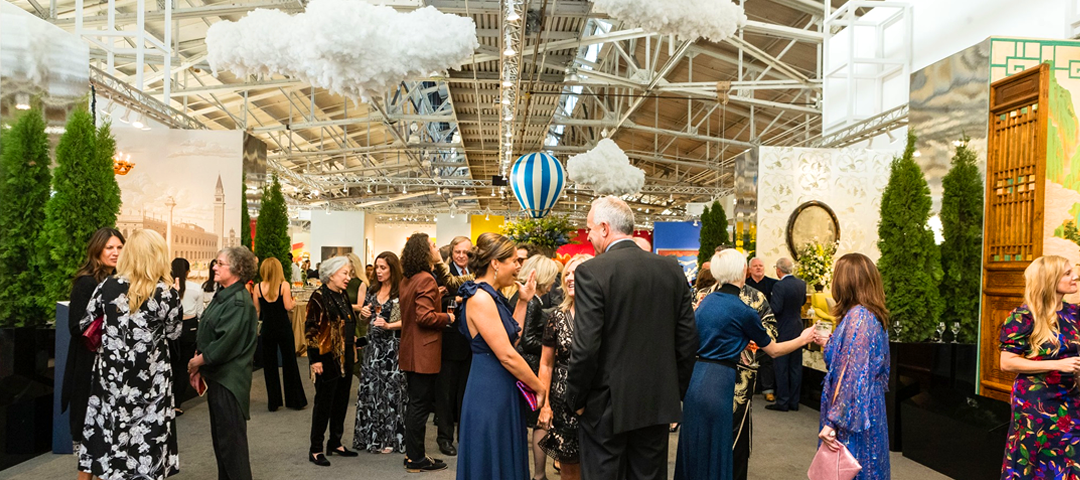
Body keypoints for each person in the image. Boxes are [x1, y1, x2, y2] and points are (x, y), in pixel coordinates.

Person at [566, 196, 698, 480]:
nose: (588, 236)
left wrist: (575, 397)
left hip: (605, 404)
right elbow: (687, 340)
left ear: (603, 228)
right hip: (656, 401)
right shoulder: (672, 270)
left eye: (589, 228)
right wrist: (674, 393)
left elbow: (587, 346)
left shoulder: (592, 271)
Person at [673, 249, 813, 480]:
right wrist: (804, 338)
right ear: (742, 271)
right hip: (722, 381)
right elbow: (774, 350)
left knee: (695, 444)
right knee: (721, 446)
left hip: (696, 380)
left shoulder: (703, 302)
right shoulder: (744, 310)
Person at [77, 229, 180, 480]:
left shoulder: (107, 287)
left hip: (112, 378)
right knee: (149, 439)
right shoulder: (166, 293)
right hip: (151, 380)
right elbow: (175, 332)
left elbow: (86, 324)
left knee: (109, 434)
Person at [456, 232, 546, 479]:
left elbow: (511, 340)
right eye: (514, 261)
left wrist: (524, 301)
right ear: (495, 262)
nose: (518, 267)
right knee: (492, 453)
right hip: (489, 390)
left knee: (502, 452)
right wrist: (539, 387)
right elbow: (506, 354)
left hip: (500, 386)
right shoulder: (481, 298)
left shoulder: (491, 296)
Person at [997, 255, 1080, 479]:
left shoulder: (1075, 314)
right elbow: (1007, 362)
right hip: (1036, 403)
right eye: (1068, 273)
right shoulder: (1023, 316)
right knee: (1035, 461)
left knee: (1071, 459)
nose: (1076, 277)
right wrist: (1057, 364)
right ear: (1050, 280)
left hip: (1071, 400)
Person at [813, 253, 891, 480]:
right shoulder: (868, 314)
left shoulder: (859, 317)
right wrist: (831, 343)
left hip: (854, 414)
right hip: (864, 406)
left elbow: (853, 376)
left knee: (851, 468)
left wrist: (833, 421)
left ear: (846, 282)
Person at [188, 246, 259, 480]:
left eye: (220, 263)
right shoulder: (225, 295)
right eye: (215, 262)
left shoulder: (238, 301)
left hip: (230, 382)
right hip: (219, 379)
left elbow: (224, 344)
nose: (214, 267)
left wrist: (197, 362)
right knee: (223, 445)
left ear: (237, 268)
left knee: (232, 448)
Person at [62, 228, 124, 480]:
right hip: (89, 366)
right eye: (110, 247)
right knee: (91, 440)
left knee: (103, 441)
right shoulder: (87, 282)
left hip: (111, 367)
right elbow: (76, 326)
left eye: (119, 247)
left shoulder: (118, 280)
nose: (115, 252)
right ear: (97, 249)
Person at [399, 234, 454, 472]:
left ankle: (414, 455)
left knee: (415, 405)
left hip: (410, 349)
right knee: (419, 406)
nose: (436, 248)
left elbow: (413, 311)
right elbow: (424, 317)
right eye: (432, 245)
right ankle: (416, 459)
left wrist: (437, 297)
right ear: (424, 251)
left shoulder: (408, 279)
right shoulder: (426, 279)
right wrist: (448, 317)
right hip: (424, 352)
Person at [538, 254, 592, 480]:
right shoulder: (556, 318)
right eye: (566, 274)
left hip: (595, 402)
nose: (570, 278)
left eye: (576, 273)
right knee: (569, 469)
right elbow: (546, 363)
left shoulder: (602, 316)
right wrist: (545, 404)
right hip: (564, 404)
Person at [509, 254, 561, 480]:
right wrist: (552, 348)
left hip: (522, 368)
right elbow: (526, 340)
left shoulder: (525, 299)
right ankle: (539, 475)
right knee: (541, 421)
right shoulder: (532, 302)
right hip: (528, 369)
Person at [305, 256, 360, 466]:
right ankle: (316, 448)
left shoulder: (342, 295)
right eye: (344, 273)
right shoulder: (319, 297)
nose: (348, 278)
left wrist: (353, 344)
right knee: (324, 404)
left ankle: (335, 442)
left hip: (345, 356)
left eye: (349, 273)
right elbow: (311, 329)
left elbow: (347, 323)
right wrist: (314, 360)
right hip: (326, 357)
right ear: (331, 274)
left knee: (341, 401)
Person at [353, 252, 407, 454]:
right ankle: (370, 438)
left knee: (391, 393)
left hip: (392, 349)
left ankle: (391, 439)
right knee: (371, 391)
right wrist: (363, 314)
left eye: (383, 267)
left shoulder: (399, 292)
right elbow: (365, 318)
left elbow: (407, 321)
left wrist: (389, 325)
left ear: (393, 269)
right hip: (373, 349)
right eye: (377, 267)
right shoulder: (372, 290)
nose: (379, 271)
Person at [434, 236, 475, 456]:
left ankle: (465, 438)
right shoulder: (441, 273)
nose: (462, 256)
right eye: (458, 252)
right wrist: (455, 300)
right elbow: (433, 304)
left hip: (472, 343)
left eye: (466, 253)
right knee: (446, 395)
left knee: (466, 394)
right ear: (451, 253)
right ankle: (445, 438)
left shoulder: (476, 273)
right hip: (449, 342)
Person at [254, 257, 307, 411]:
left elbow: (256, 311)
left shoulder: (257, 287)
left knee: (269, 366)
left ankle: (274, 402)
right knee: (290, 362)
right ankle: (294, 400)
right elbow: (288, 306)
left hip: (267, 329)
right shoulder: (284, 285)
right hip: (283, 328)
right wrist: (295, 302)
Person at [766, 257, 807, 413]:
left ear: (778, 270)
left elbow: (776, 308)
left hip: (783, 328)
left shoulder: (779, 286)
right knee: (796, 366)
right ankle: (794, 402)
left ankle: (782, 401)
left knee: (781, 365)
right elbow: (802, 302)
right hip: (797, 328)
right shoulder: (801, 284)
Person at [170, 257, 204, 415]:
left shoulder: (165, 287)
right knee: (184, 367)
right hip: (189, 328)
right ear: (188, 271)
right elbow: (199, 313)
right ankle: (177, 404)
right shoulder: (196, 288)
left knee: (170, 366)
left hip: (170, 329)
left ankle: (166, 403)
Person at [745, 257, 778, 403]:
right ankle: (749, 390)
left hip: (766, 327)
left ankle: (768, 390)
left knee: (767, 360)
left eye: (761, 266)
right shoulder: (744, 285)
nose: (758, 268)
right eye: (755, 266)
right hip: (747, 325)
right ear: (750, 269)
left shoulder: (773, 284)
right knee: (747, 358)